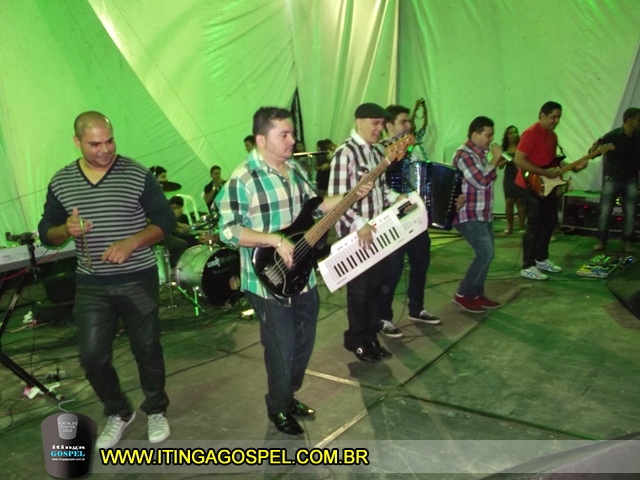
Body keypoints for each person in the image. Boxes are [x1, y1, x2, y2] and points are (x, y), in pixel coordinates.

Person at [216, 107, 373, 435]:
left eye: (291, 134)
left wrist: (350, 195)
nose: (292, 140)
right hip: (265, 280)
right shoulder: (243, 179)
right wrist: (274, 240)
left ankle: (287, 395)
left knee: (304, 341)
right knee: (282, 347)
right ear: (261, 140)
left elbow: (316, 205)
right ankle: (278, 406)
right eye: (283, 135)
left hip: (301, 274)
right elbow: (227, 231)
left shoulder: (296, 169)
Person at [38, 111, 174, 448]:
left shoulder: (137, 174)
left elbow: (165, 221)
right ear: (77, 142)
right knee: (91, 357)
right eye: (95, 144)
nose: (105, 149)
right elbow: (47, 234)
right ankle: (119, 411)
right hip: (92, 285)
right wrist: (65, 230)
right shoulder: (62, 182)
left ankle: (156, 408)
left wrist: (132, 243)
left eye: (109, 141)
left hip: (138, 279)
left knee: (147, 348)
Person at [328, 102, 398, 363]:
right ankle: (357, 340)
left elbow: (381, 189)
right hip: (355, 235)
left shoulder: (377, 151)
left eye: (382, 124)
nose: (380, 129)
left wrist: (396, 198)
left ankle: (371, 338)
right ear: (359, 121)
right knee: (359, 293)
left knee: (375, 290)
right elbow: (337, 199)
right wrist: (359, 223)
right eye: (375, 123)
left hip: (376, 232)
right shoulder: (345, 154)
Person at [377, 104, 442, 339]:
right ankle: (383, 317)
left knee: (421, 261)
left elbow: (425, 181)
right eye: (403, 122)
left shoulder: (414, 150)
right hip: (392, 216)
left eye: (408, 122)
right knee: (392, 269)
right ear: (389, 125)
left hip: (414, 214)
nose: (408, 125)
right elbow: (378, 184)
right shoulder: (380, 151)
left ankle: (417, 307)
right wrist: (397, 198)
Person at [514, 101, 588, 280]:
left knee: (550, 221)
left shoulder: (552, 136)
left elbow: (553, 161)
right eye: (553, 117)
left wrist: (574, 166)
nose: (556, 121)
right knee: (534, 225)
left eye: (559, 117)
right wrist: (544, 173)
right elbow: (519, 159)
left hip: (547, 186)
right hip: (531, 185)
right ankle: (527, 265)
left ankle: (541, 258)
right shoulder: (531, 133)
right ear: (542, 115)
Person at [451, 116, 502, 313]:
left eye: (492, 135)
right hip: (469, 214)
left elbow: (487, 179)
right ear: (475, 134)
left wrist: (493, 161)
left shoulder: (479, 155)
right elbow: (481, 182)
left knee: (487, 254)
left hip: (483, 214)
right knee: (485, 253)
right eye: (488, 135)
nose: (491, 139)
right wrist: (495, 160)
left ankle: (476, 294)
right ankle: (463, 294)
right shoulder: (464, 155)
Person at [592, 107, 640, 252]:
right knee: (605, 211)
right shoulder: (612, 136)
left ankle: (628, 241)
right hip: (612, 178)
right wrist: (595, 147)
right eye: (638, 120)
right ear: (629, 120)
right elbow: (594, 153)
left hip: (631, 178)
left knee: (631, 212)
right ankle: (601, 240)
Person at [497, 125, 526, 235]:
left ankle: (522, 227)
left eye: (515, 132)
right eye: (510, 133)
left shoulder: (521, 146)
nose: (513, 135)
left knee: (520, 202)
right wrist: (506, 161)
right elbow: (499, 166)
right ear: (507, 135)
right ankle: (509, 227)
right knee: (509, 202)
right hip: (509, 176)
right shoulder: (503, 149)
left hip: (520, 176)